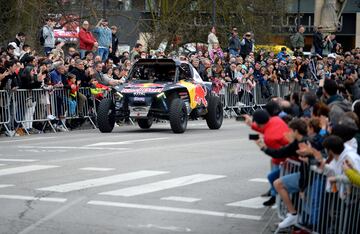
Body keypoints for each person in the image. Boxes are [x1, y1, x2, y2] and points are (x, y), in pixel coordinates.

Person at [243, 109, 290, 205]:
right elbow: (264, 127)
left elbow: (277, 154)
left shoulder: (269, 137)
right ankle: (275, 195)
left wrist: (262, 147)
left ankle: (278, 197)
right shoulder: (276, 119)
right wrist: (251, 124)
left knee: (273, 177)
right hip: (288, 155)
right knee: (273, 175)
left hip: (287, 159)